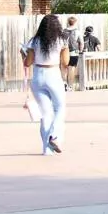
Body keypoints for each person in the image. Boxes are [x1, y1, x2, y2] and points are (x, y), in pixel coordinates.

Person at [22, 14, 69, 155]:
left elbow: (27, 63)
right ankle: (54, 136)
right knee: (60, 108)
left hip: (38, 76)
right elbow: (65, 62)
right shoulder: (62, 40)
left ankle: (47, 150)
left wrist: (23, 54)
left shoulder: (34, 41)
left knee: (46, 113)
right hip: (53, 74)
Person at [63, 16, 84, 91]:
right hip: (73, 52)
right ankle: (70, 86)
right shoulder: (77, 31)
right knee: (71, 69)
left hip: (64, 51)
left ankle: (64, 83)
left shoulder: (63, 31)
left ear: (68, 22)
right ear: (75, 23)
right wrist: (80, 51)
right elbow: (81, 43)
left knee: (64, 68)